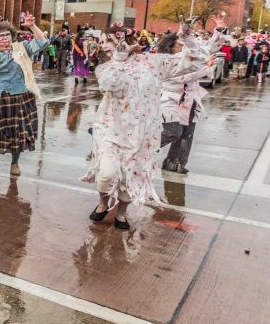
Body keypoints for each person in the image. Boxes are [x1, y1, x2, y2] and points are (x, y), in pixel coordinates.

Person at [83, 22, 207, 229]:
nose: (103, 45)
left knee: (134, 176)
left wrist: (188, 39)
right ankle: (103, 202)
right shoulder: (105, 68)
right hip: (110, 130)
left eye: (109, 41)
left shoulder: (152, 62)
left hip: (143, 134)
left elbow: (194, 62)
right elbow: (110, 85)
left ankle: (121, 213)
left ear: (126, 41)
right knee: (106, 174)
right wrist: (119, 59)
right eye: (103, 41)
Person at [0, 16, 49, 176]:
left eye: (7, 35)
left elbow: (43, 43)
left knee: (19, 133)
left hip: (22, 97)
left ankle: (14, 163)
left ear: (12, 36)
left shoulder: (22, 48)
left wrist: (33, 26)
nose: (4, 38)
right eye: (0, 36)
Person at [158, 21, 226, 174]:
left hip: (190, 99)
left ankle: (176, 163)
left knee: (187, 133)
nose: (184, 47)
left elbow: (207, 49)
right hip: (171, 100)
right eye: (181, 44)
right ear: (171, 46)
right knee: (172, 131)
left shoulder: (189, 55)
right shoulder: (167, 60)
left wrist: (218, 31)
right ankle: (142, 148)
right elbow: (181, 78)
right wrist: (205, 69)